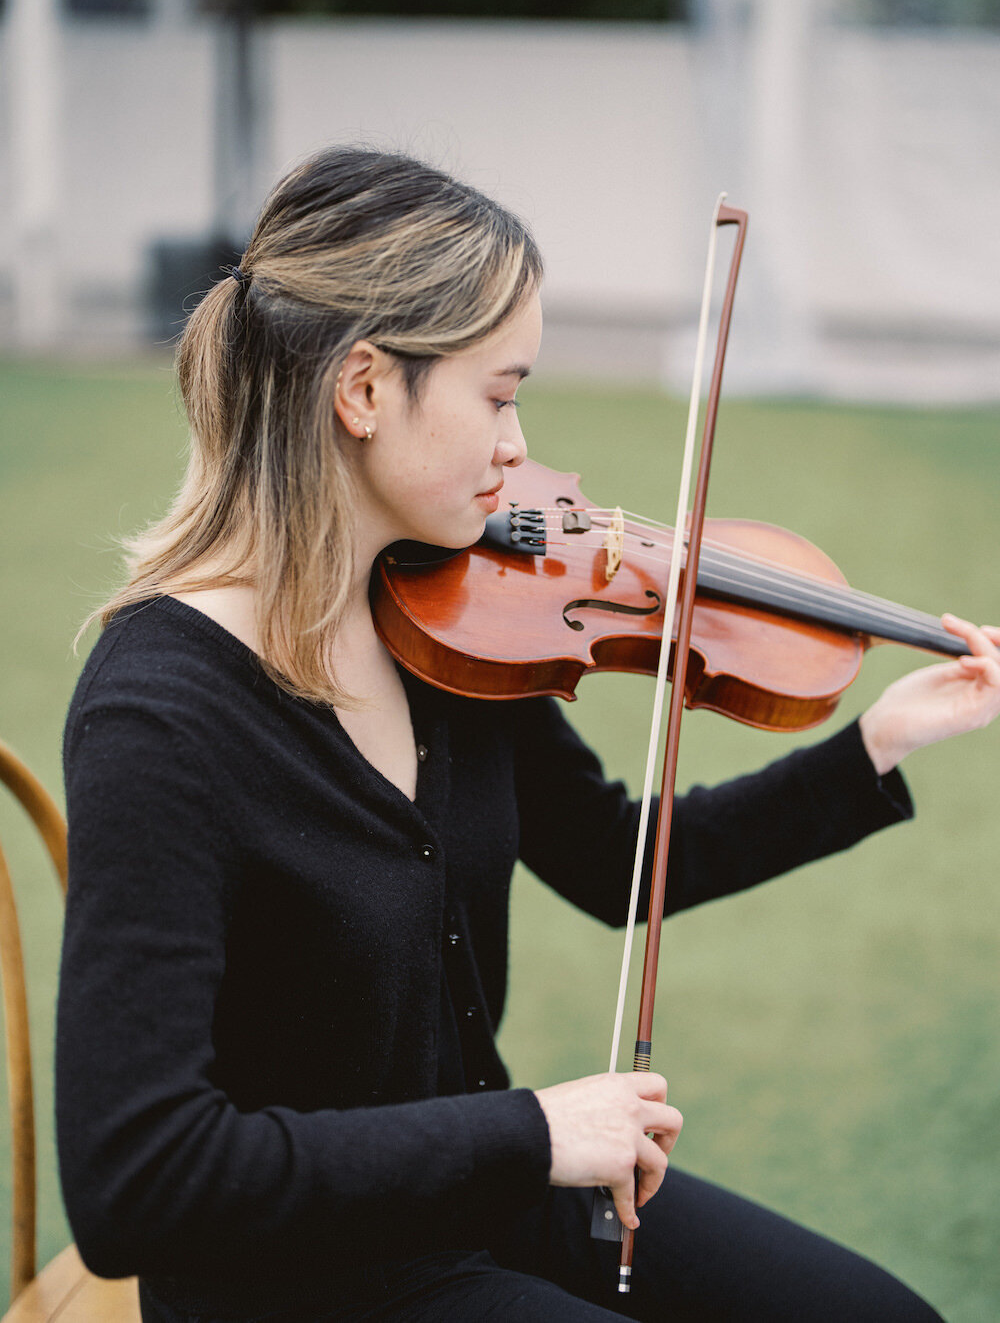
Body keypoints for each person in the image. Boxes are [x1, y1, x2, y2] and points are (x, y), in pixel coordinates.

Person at [56, 147, 1000, 1323]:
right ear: (361, 390)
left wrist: (873, 747)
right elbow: (134, 1182)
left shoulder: (441, 622)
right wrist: (530, 1127)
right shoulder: (161, 715)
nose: (520, 444)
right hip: (308, 1283)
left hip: (483, 1195)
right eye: (499, 394)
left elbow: (612, 856)